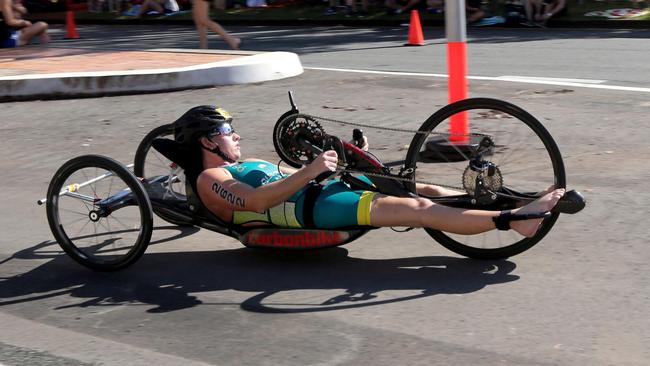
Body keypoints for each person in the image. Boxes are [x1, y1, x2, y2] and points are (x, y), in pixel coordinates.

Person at [173, 105, 565, 238]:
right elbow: (257, 200)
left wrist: (349, 158)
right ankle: (513, 222)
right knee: (414, 209)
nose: (236, 134)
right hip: (309, 209)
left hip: (320, 189)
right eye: (226, 131)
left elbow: (280, 178)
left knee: (421, 186)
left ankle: (521, 201)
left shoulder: (238, 164)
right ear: (205, 142)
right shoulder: (211, 180)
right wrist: (310, 171)